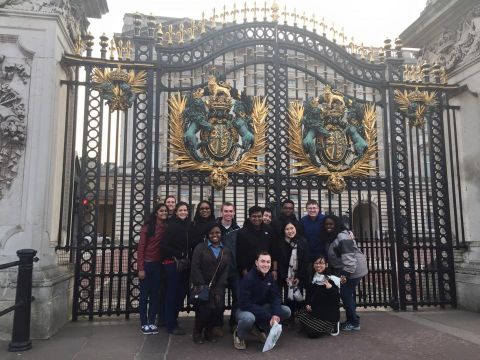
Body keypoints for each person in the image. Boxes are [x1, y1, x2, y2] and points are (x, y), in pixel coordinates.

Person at [234, 251, 291, 350]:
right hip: (244, 310)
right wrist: (269, 317)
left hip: (260, 308)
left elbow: (275, 297)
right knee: (248, 319)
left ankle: (258, 328)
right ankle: (238, 335)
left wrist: (276, 315)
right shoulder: (248, 279)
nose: (266, 264)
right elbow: (245, 304)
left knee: (286, 311)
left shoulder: (269, 277)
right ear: (256, 263)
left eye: (268, 262)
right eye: (262, 261)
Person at [323, 215, 368, 331]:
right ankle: (352, 319)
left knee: (345, 294)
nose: (328, 226)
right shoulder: (336, 235)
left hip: (353, 269)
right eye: (326, 224)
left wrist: (346, 274)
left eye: (331, 224)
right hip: (350, 268)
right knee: (348, 294)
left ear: (336, 224)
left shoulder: (342, 236)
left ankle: (354, 322)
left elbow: (348, 256)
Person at [190, 224, 232, 344]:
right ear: (208, 235)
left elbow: (226, 270)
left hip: (218, 286)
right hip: (202, 285)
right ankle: (197, 332)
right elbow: (195, 266)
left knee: (216, 310)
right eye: (212, 233)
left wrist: (219, 286)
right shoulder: (200, 248)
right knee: (204, 310)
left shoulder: (225, 250)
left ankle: (208, 332)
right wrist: (202, 284)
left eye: (217, 232)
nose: (215, 235)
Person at [160, 201, 192, 335]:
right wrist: (180, 254)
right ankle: (170, 324)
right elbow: (164, 246)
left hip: (184, 265)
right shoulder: (172, 226)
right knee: (172, 295)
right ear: (176, 212)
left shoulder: (189, 225)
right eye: (181, 210)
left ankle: (173, 320)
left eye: (185, 210)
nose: (183, 212)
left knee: (180, 294)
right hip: (173, 265)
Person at [138, 204, 168, 334]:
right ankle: (144, 323)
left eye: (166, 211)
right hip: (147, 264)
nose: (164, 213)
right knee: (144, 296)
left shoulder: (167, 227)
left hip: (159, 265)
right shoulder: (148, 227)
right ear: (156, 213)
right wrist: (141, 268)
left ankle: (151, 321)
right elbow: (141, 248)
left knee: (155, 295)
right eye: (161, 210)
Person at [296, 256, 341, 338]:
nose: (318, 265)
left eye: (321, 263)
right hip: (315, 310)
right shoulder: (313, 279)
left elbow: (337, 300)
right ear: (313, 265)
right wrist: (308, 304)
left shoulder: (331, 279)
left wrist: (330, 288)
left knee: (312, 334)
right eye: (316, 263)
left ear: (326, 265)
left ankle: (312, 325)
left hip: (327, 313)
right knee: (300, 313)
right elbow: (309, 296)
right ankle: (311, 325)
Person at [273, 221, 309, 317]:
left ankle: (298, 316)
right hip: (283, 274)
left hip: (298, 274)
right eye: (287, 229)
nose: (290, 231)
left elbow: (305, 261)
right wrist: (284, 275)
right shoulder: (280, 242)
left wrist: (298, 276)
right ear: (284, 231)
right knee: (285, 296)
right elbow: (277, 259)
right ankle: (287, 317)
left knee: (297, 296)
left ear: (296, 229)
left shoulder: (302, 241)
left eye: (292, 228)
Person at [217, 202, 241, 333]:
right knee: (218, 298)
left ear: (234, 213)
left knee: (238, 296)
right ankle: (218, 324)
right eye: (226, 211)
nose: (228, 214)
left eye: (230, 211)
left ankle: (233, 323)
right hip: (219, 270)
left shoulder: (237, 229)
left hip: (233, 269)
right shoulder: (215, 228)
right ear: (221, 212)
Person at [236, 205, 274, 278]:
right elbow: (240, 254)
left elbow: (273, 249)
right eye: (254, 216)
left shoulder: (269, 230)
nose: (257, 218)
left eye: (259, 216)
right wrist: (244, 271)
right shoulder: (242, 233)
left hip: (266, 268)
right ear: (250, 217)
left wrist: (273, 270)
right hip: (249, 269)